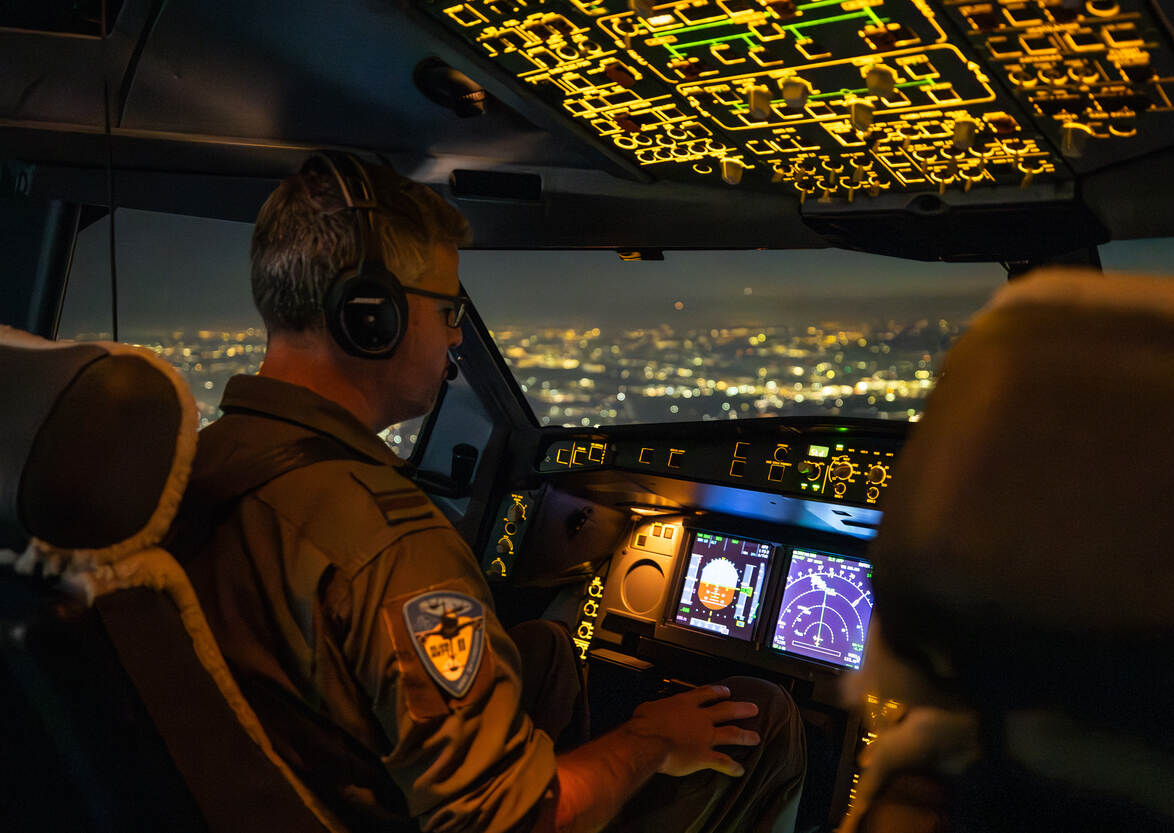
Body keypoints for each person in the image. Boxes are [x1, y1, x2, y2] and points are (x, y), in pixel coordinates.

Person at [174, 151, 805, 833]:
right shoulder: (394, 549)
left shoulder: (197, 467)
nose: (454, 335)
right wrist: (652, 740)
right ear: (370, 316)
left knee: (543, 652)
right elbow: (514, 822)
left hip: (286, 789)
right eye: (448, 309)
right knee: (762, 713)